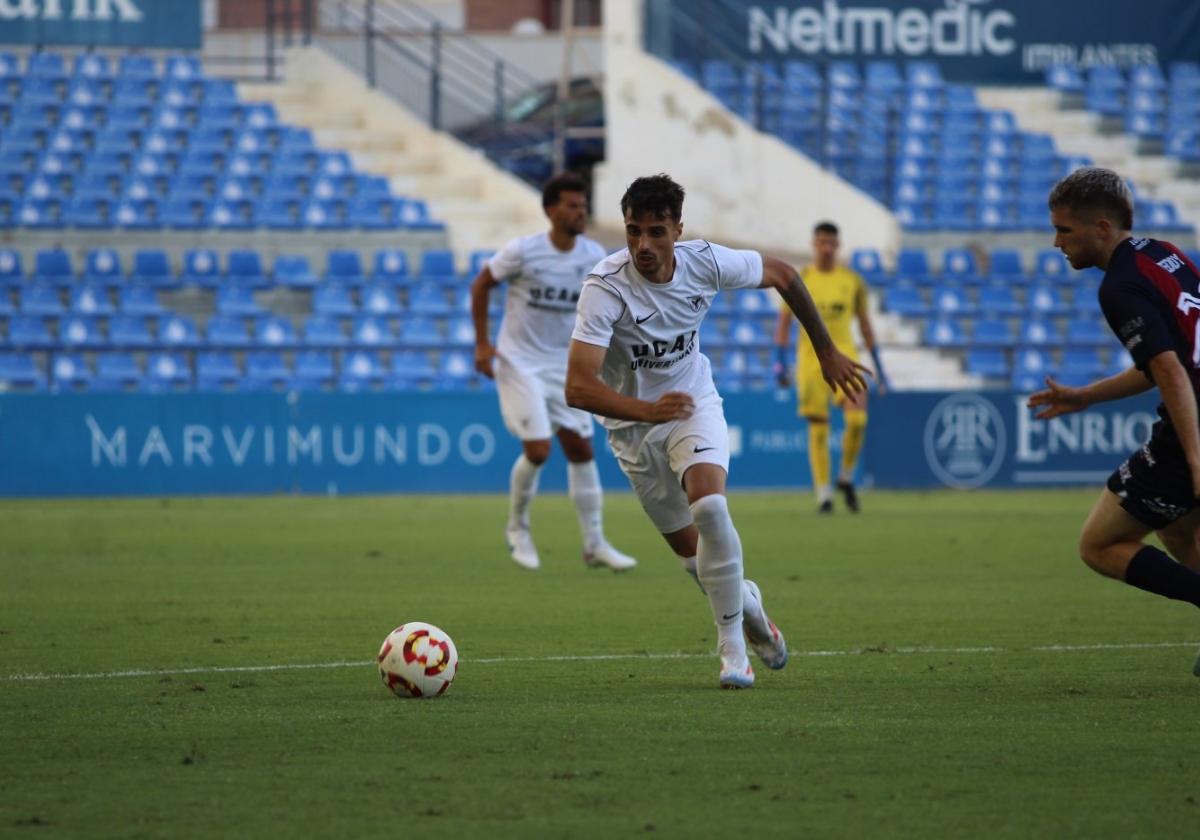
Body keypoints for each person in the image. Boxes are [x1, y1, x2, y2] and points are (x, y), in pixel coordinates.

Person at [565, 174, 869, 688]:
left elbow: (785, 276)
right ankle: (750, 608)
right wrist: (644, 411)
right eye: (634, 231)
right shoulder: (604, 287)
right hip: (633, 430)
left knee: (710, 506)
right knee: (694, 562)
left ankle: (732, 653)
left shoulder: (705, 261)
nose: (643, 245)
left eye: (656, 231)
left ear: (678, 230)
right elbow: (577, 387)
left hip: (692, 406)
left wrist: (826, 351)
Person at [1028, 166, 1200, 674]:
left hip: (1191, 422)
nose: (1056, 241)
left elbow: (1169, 369)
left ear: (1102, 228)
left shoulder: (1119, 287)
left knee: (1099, 544)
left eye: (1064, 229)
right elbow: (1166, 359)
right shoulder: (1162, 254)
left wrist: (1195, 456)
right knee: (1180, 531)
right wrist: (1085, 396)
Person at [470, 172, 637, 572]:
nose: (581, 212)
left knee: (581, 450)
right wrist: (482, 343)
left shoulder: (592, 255)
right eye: (572, 205)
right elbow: (481, 285)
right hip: (520, 362)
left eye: (583, 205)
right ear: (551, 210)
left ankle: (594, 543)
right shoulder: (523, 251)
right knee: (540, 448)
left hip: (563, 367)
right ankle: (518, 528)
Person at [772, 221, 888, 513]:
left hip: (846, 357)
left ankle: (846, 477)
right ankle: (823, 494)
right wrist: (780, 363)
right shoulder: (802, 278)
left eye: (831, 242)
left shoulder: (852, 281)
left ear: (837, 245)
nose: (826, 247)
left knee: (858, 421)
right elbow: (783, 325)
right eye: (821, 242)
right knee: (819, 430)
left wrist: (880, 370)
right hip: (810, 364)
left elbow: (866, 327)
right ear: (814, 244)